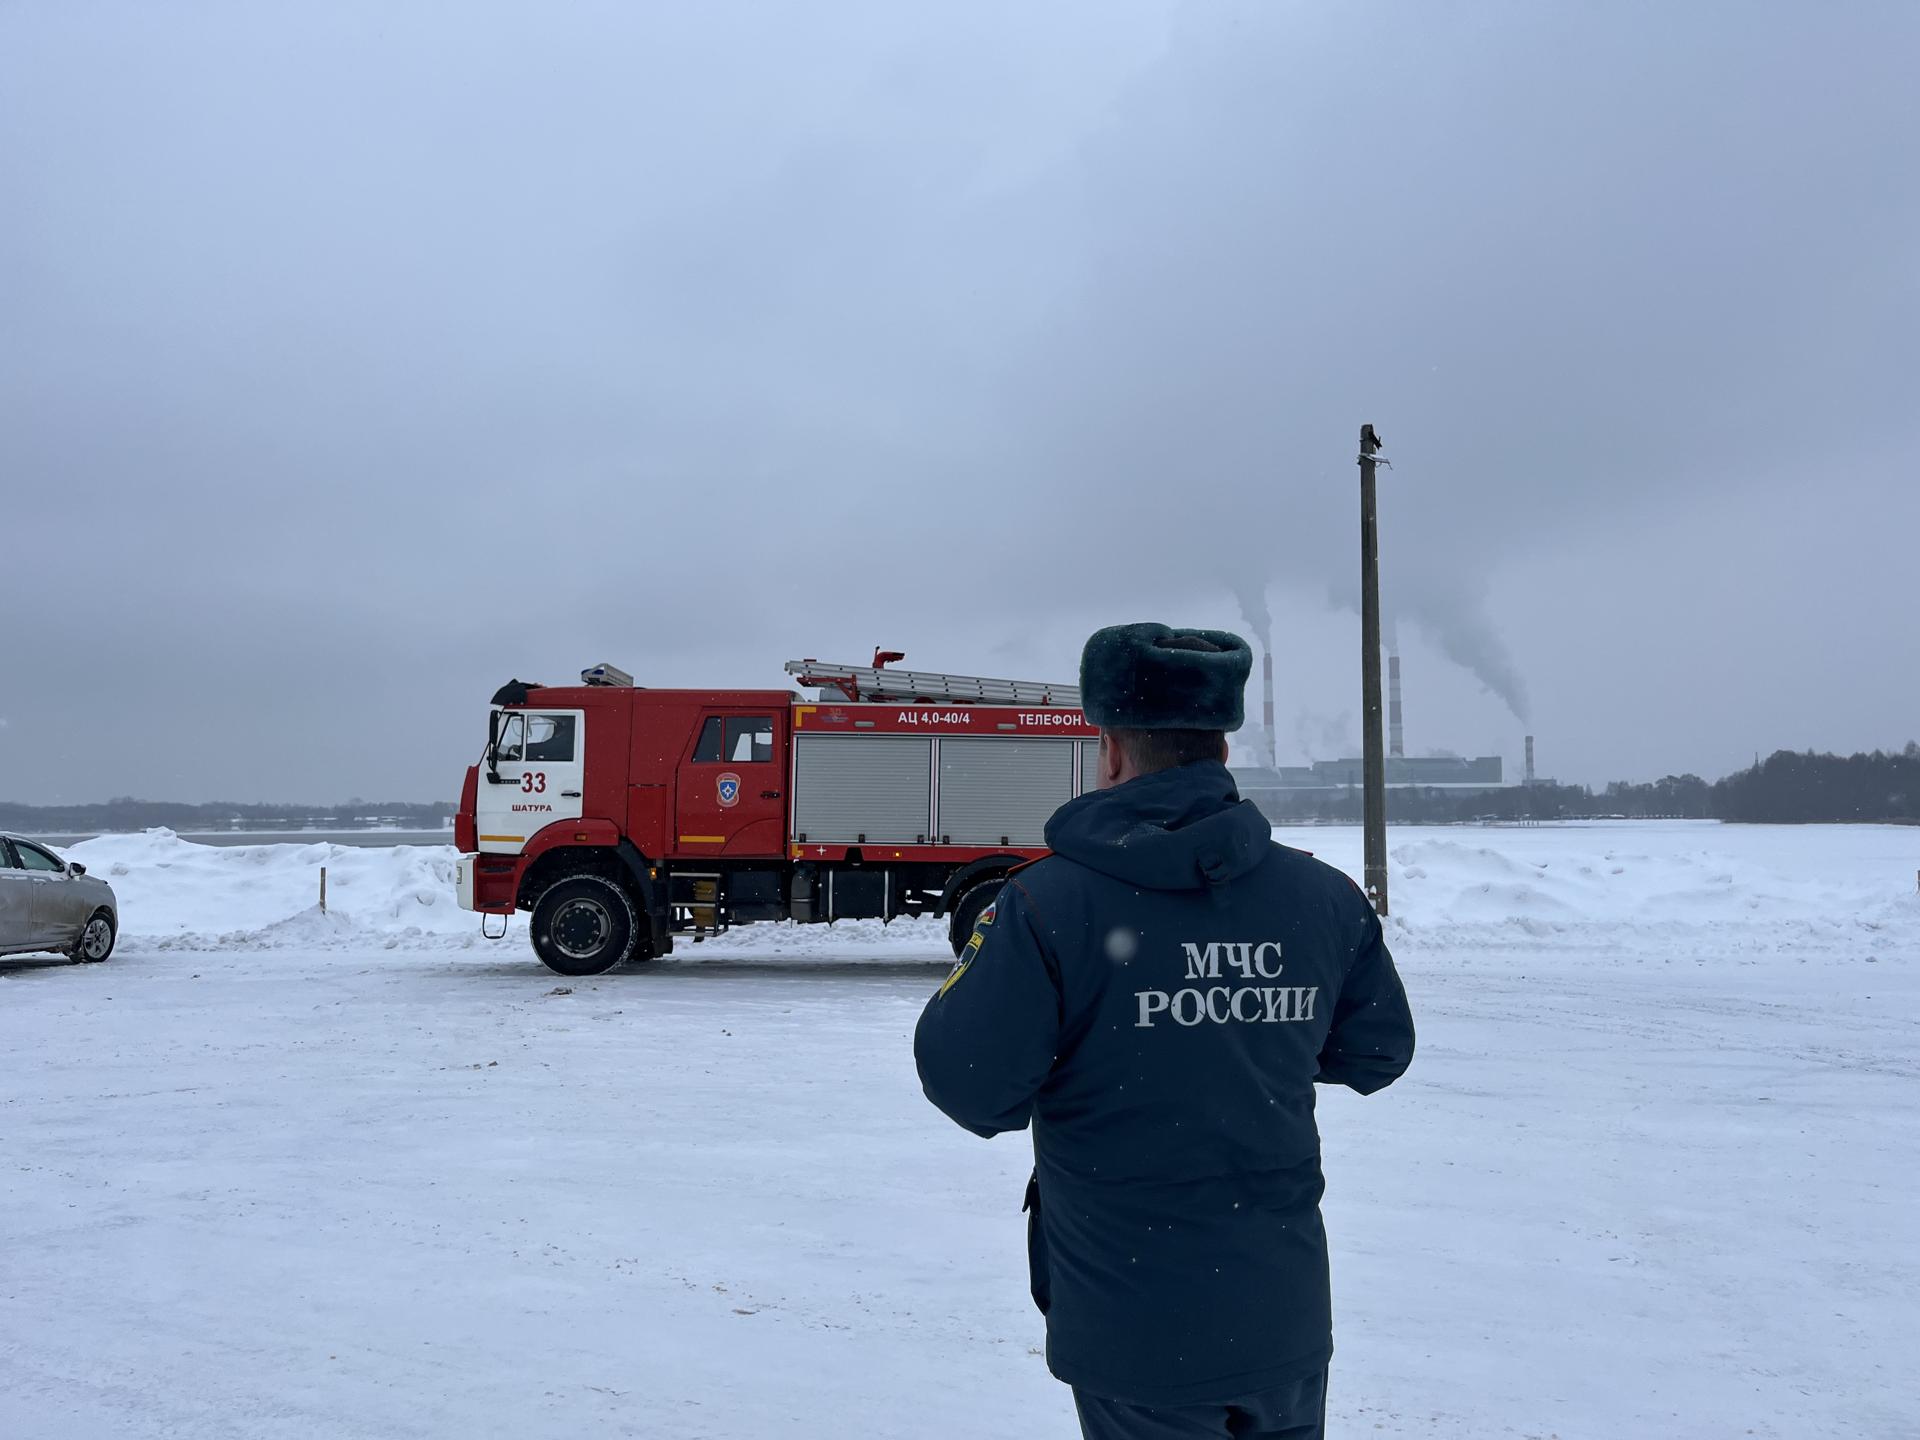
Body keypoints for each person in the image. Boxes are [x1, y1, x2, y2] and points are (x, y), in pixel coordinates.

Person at [914, 622, 1416, 1440]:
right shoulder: (1322, 899)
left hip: (1134, 1329)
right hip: (1281, 1322)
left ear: (1110, 751)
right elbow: (1376, 1051)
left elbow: (969, 1082)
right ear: (1221, 749)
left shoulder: (1046, 906)